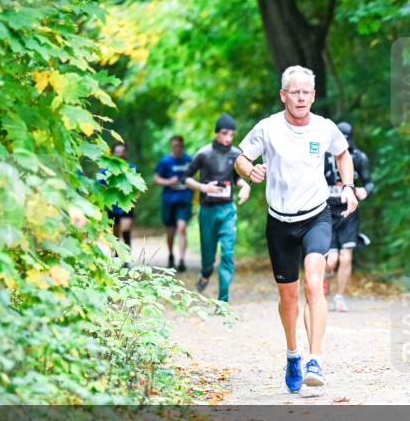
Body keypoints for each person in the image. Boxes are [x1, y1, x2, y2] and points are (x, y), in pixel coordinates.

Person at [235, 65, 357, 393]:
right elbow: (241, 158)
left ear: (313, 96)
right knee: (288, 296)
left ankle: (315, 359)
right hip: (279, 221)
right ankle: (293, 354)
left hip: (316, 216)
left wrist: (348, 186)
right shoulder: (268, 127)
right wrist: (250, 171)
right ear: (283, 95)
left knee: (314, 285)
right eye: (295, 91)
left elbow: (343, 155)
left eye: (306, 92)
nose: (301, 97)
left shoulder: (325, 128)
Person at [183, 114, 251, 302]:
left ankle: (223, 301)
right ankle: (205, 273)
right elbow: (187, 178)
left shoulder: (236, 154)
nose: (228, 138)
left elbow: (237, 178)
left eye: (232, 134)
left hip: (227, 210)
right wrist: (203, 187)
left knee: (228, 254)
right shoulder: (204, 153)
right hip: (208, 211)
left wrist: (245, 187)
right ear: (217, 133)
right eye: (224, 133)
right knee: (208, 258)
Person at [323, 121, 375, 312]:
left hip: (349, 212)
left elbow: (369, 182)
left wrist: (363, 191)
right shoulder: (323, 156)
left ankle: (340, 297)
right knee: (331, 260)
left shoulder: (359, 157)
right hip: (327, 211)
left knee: (346, 257)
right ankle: (327, 276)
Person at [153, 135, 193, 271]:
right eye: (174, 146)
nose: (177, 148)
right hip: (169, 200)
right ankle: (171, 255)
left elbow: (196, 176)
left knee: (182, 228)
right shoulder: (165, 161)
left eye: (179, 146)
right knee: (170, 231)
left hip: (184, 198)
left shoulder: (188, 160)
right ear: (171, 146)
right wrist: (168, 182)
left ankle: (181, 260)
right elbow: (156, 178)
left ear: (183, 146)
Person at [107, 143, 136, 260]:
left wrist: (134, 199)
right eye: (117, 152)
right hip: (112, 205)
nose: (120, 154)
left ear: (126, 153)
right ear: (113, 153)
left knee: (125, 230)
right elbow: (101, 185)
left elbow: (138, 186)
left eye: (122, 151)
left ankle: (127, 257)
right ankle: (117, 256)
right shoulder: (107, 168)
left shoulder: (131, 167)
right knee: (115, 233)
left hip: (127, 203)